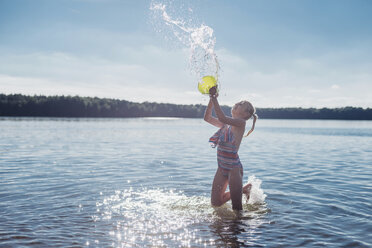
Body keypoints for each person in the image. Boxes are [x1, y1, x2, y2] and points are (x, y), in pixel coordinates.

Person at [204, 86, 257, 210]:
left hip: (234, 169)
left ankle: (237, 226)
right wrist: (211, 100)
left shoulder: (241, 123)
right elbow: (207, 118)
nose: (236, 104)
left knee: (237, 209)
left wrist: (214, 97)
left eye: (240, 104)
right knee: (216, 203)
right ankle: (244, 189)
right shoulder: (226, 125)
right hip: (221, 166)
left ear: (246, 114)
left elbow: (222, 117)